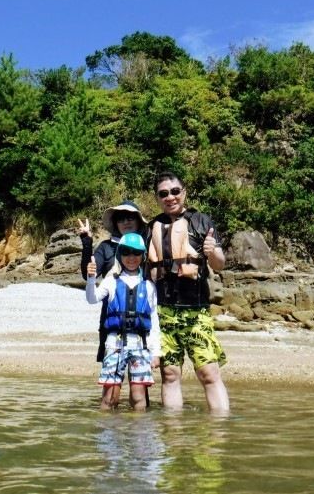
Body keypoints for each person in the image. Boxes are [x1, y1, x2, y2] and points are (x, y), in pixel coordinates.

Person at [145, 171, 230, 414]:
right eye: (163, 194)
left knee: (208, 372)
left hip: (196, 312)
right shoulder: (152, 227)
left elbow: (219, 264)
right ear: (158, 198)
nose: (170, 197)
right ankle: (173, 435)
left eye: (174, 191)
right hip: (164, 312)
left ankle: (219, 431)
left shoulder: (202, 221)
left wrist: (212, 251)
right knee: (170, 374)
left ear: (184, 192)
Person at [86, 232, 161, 411]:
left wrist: (156, 352)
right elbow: (92, 298)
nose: (131, 257)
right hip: (114, 344)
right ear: (120, 255)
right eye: (126, 252)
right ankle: (108, 436)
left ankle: (139, 436)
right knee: (109, 398)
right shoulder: (111, 281)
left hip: (140, 345)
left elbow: (154, 320)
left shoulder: (149, 285)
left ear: (143, 256)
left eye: (136, 253)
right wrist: (91, 279)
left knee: (138, 397)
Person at [78, 200, 148, 362]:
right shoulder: (106, 247)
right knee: (110, 378)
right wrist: (87, 242)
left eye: (130, 217)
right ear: (116, 224)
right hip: (111, 317)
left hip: (142, 317)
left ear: (138, 221)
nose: (126, 222)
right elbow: (87, 273)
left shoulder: (147, 245)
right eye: (121, 219)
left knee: (139, 379)